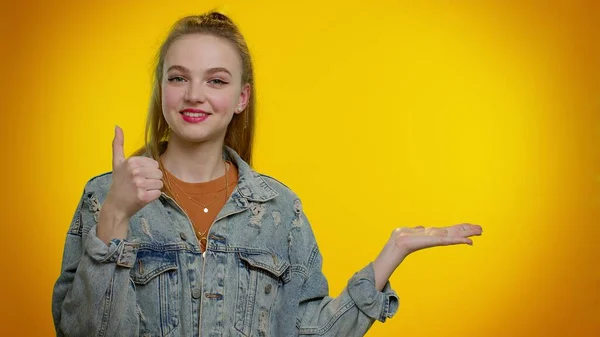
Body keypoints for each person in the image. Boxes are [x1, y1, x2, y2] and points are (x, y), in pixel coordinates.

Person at [52, 11, 483, 337]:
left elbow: (306, 330)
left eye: (216, 81)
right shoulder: (103, 195)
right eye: (178, 77)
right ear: (161, 89)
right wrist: (114, 219)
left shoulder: (279, 209)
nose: (194, 94)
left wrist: (390, 256)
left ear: (242, 97)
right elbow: (79, 331)